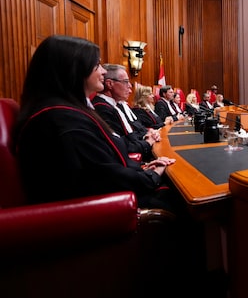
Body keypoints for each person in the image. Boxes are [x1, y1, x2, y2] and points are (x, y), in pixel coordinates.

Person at [15, 35, 179, 212]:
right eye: (97, 65)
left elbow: (102, 165)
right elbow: (105, 178)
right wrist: (152, 175)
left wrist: (144, 168)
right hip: (104, 210)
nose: (103, 71)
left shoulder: (69, 112)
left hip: (116, 192)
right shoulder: (63, 120)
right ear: (74, 70)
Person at [92, 64, 159, 162]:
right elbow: (122, 145)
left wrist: (147, 135)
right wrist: (147, 143)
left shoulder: (114, 105)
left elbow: (131, 133)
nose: (130, 87)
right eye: (126, 82)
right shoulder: (102, 108)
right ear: (110, 84)